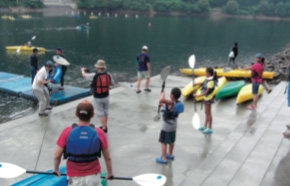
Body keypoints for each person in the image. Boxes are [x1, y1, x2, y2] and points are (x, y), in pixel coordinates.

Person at [53, 100, 113, 185]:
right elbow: (108, 158)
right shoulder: (99, 132)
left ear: (76, 114)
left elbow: (57, 155)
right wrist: (110, 173)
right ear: (92, 115)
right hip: (93, 176)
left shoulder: (67, 131)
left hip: (74, 177)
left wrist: (56, 169)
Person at [81, 60, 114, 133]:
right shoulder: (108, 75)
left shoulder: (94, 75)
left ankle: (104, 127)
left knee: (100, 112)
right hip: (106, 96)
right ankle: (105, 125)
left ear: (98, 67)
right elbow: (113, 84)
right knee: (106, 110)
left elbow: (84, 75)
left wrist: (82, 70)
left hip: (97, 97)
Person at [156, 88, 184, 164]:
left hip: (166, 127)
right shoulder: (177, 103)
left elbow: (162, 99)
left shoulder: (170, 102)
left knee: (163, 142)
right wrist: (162, 105)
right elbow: (168, 107)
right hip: (174, 126)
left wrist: (162, 94)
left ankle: (164, 158)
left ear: (172, 95)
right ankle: (170, 154)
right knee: (171, 141)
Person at [194, 67, 218, 134]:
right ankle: (205, 126)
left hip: (208, 98)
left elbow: (206, 92)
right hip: (206, 98)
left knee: (208, 113)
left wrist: (197, 95)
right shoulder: (208, 79)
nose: (205, 73)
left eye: (206, 72)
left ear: (209, 73)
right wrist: (196, 83)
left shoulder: (211, 82)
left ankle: (210, 128)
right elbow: (203, 83)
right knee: (206, 112)